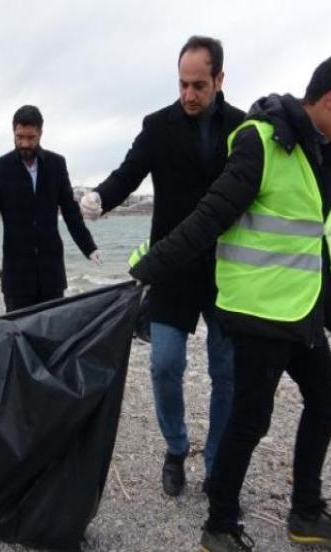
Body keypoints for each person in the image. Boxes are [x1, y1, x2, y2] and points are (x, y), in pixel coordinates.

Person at [129, 52, 331, 551]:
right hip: (257, 310)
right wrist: (148, 270)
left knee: (328, 401)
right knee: (251, 418)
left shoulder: (326, 149)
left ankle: (305, 513)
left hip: (302, 307)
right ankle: (219, 526)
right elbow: (209, 217)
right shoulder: (260, 141)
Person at [80, 36, 246, 497]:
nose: (189, 95)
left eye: (198, 85)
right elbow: (128, 172)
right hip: (170, 268)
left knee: (226, 372)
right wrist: (101, 198)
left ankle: (216, 463)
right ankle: (176, 448)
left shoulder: (243, 128)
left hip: (229, 271)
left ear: (219, 79)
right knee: (164, 365)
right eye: (182, 84)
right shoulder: (158, 126)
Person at [0, 105, 101, 311]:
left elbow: (70, 212)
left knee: (52, 335)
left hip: (51, 273)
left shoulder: (56, 164)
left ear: (40, 133)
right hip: (17, 276)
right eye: (19, 137)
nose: (24, 143)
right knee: (19, 336)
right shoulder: (1, 168)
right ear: (13, 132)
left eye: (30, 137)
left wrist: (89, 247)